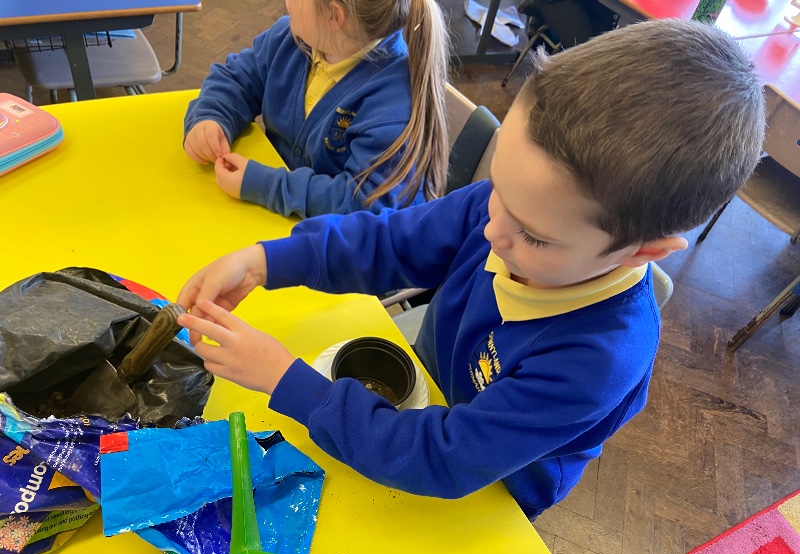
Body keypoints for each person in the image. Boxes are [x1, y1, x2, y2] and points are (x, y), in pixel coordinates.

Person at [175, 19, 765, 519]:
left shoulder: (597, 358)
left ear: (644, 251)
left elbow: (444, 459)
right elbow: (390, 241)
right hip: (429, 389)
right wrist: (265, 260)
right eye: (497, 187)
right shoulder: (512, 209)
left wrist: (285, 380)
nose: (491, 230)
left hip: (492, 488)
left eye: (533, 236)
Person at [183, 0, 449, 218]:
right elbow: (237, 79)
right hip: (279, 223)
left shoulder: (393, 105)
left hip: (342, 252)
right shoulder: (290, 39)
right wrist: (211, 117)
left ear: (334, 15)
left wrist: (266, 185)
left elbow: (363, 205)